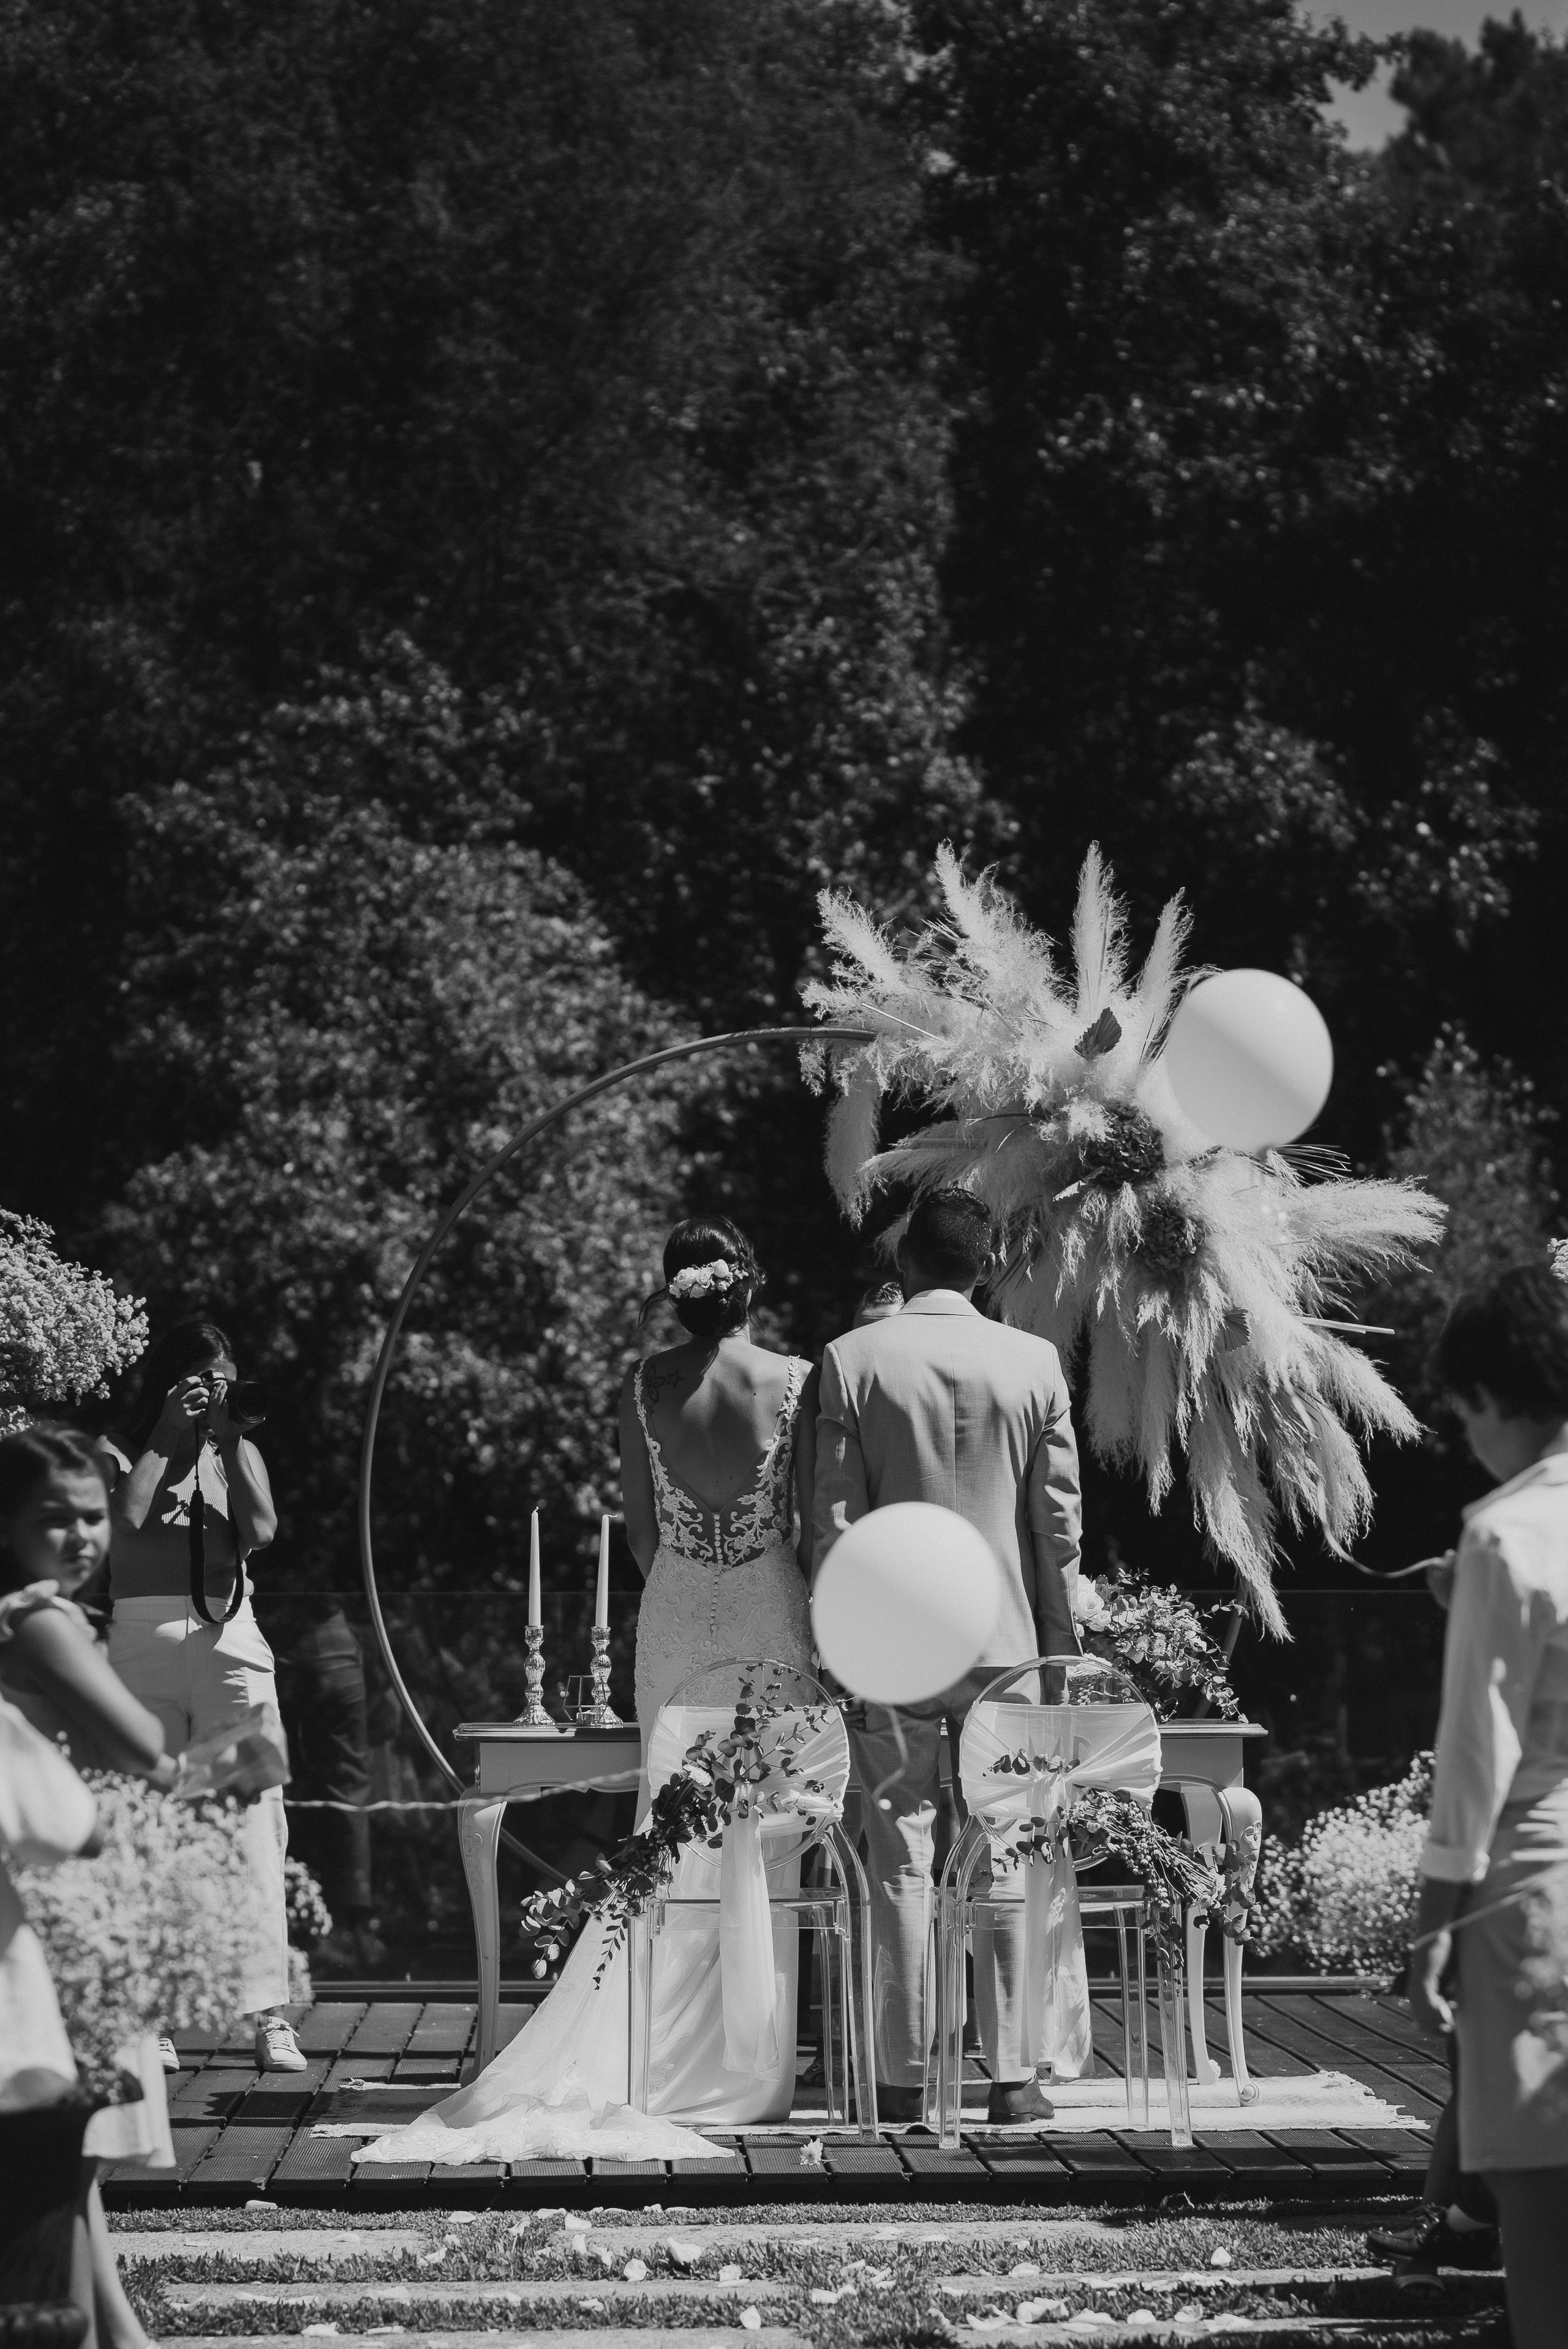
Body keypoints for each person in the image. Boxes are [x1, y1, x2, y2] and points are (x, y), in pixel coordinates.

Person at [356, 1213, 818, 2165]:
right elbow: (807, 1519)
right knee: (773, 1823)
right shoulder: (799, 1382)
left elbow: (643, 1532)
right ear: (753, 1282)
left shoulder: (643, 1385)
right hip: (774, 1604)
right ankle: (757, 2054)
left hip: (678, 1611)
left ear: (674, 1291)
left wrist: (694, 1574)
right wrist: (762, 1571)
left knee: (670, 1820)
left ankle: (656, 2047)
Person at [813, 1186, 1082, 2124]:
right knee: (1004, 1842)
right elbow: (1058, 1528)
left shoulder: (852, 1359)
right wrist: (1060, 1653)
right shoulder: (1036, 1363)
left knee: (898, 1850)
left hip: (890, 1645)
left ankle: (898, 2073)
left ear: (906, 1263)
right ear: (987, 1265)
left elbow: (834, 1523)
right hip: (1005, 1642)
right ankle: (1012, 2075)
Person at [1406, 1263, 1568, 2349]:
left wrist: (1431, 1925)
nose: (1469, 1439)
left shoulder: (1504, 1536)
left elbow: (1475, 1754)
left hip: (1536, 1892)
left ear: (1505, 1396)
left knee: (1544, 2203)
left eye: (1466, 1415)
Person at [0, 1423, 168, 2349]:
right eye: (50, 1519)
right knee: (59, 2154)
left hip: (52, 1883)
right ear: (8, 1526)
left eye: (94, 1516)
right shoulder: (40, 1618)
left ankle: (118, 2333)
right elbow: (140, 1744)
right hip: (50, 1897)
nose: (79, 1538)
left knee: (71, 2167)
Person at [100, 1318, 303, 2074]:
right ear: (170, 1381)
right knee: (148, 1822)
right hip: (142, 1646)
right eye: (206, 1380)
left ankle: (267, 2012)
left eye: (227, 1379)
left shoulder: (237, 1451)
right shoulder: (119, 1451)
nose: (219, 1392)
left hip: (228, 1644)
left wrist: (226, 1440)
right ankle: (149, 2013)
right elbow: (123, 1522)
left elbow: (263, 1531)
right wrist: (165, 1432)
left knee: (253, 1822)